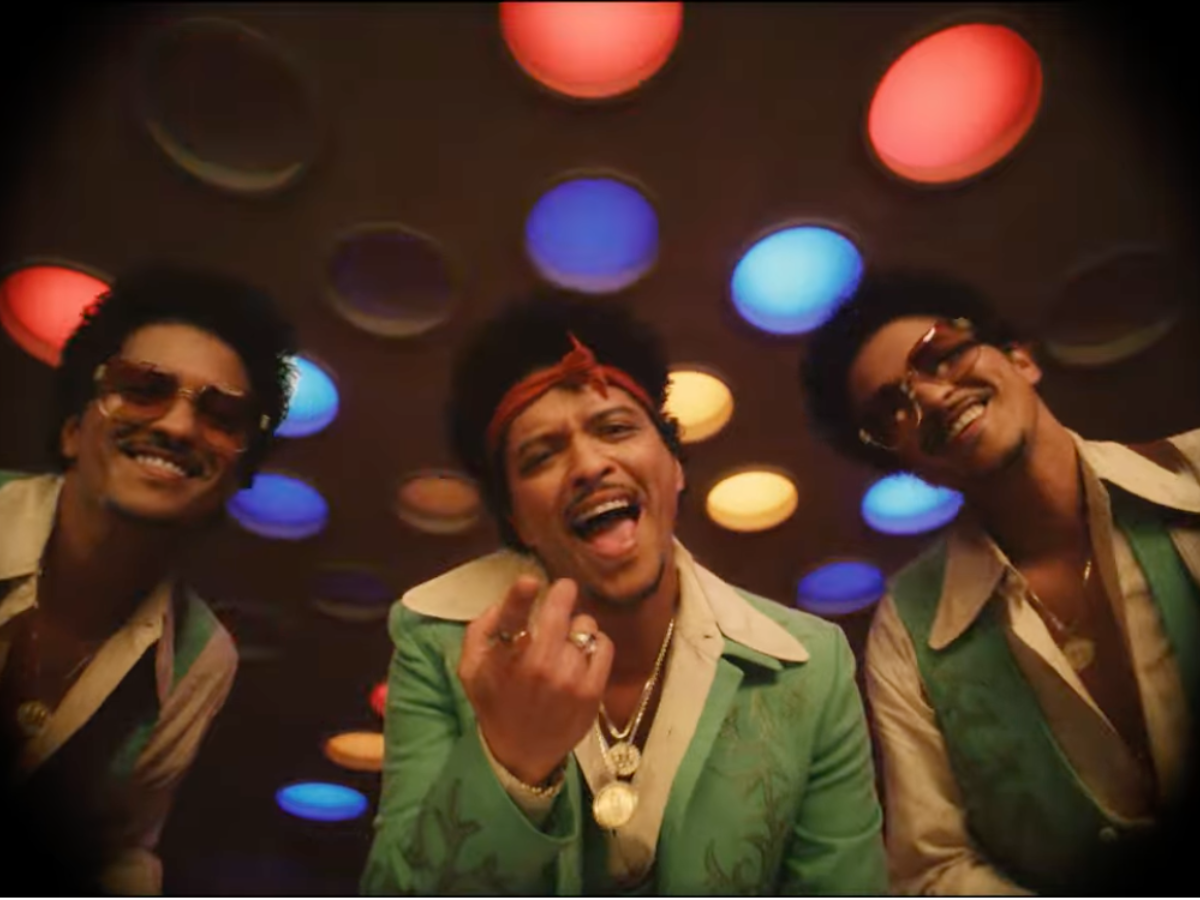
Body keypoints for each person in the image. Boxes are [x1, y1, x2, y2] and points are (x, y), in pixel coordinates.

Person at [361, 290, 887, 895]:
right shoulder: (436, 642)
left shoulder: (811, 665)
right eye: (541, 456)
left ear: (675, 467)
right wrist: (510, 760)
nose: (589, 465)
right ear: (517, 521)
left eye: (615, 428)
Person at [800, 269, 1199, 895]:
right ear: (906, 463)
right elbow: (932, 870)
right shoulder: (908, 632)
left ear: (1020, 359)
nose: (932, 398)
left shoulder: (1193, 474)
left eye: (939, 356)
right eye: (893, 408)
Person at [0, 263, 296, 894]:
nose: (178, 426)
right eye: (141, 388)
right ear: (73, 429)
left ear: (234, 481)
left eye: (222, 415)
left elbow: (118, 854)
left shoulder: (200, 658)